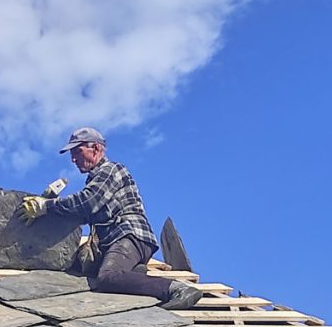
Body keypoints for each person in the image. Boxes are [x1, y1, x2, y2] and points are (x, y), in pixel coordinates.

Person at [20, 127, 202, 309]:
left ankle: (177, 289)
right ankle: (134, 273)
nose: (74, 159)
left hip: (129, 235)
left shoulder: (110, 170)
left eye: (77, 151)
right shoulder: (95, 179)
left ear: (96, 148)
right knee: (84, 269)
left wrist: (47, 206)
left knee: (107, 277)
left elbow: (87, 202)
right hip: (115, 241)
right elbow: (81, 212)